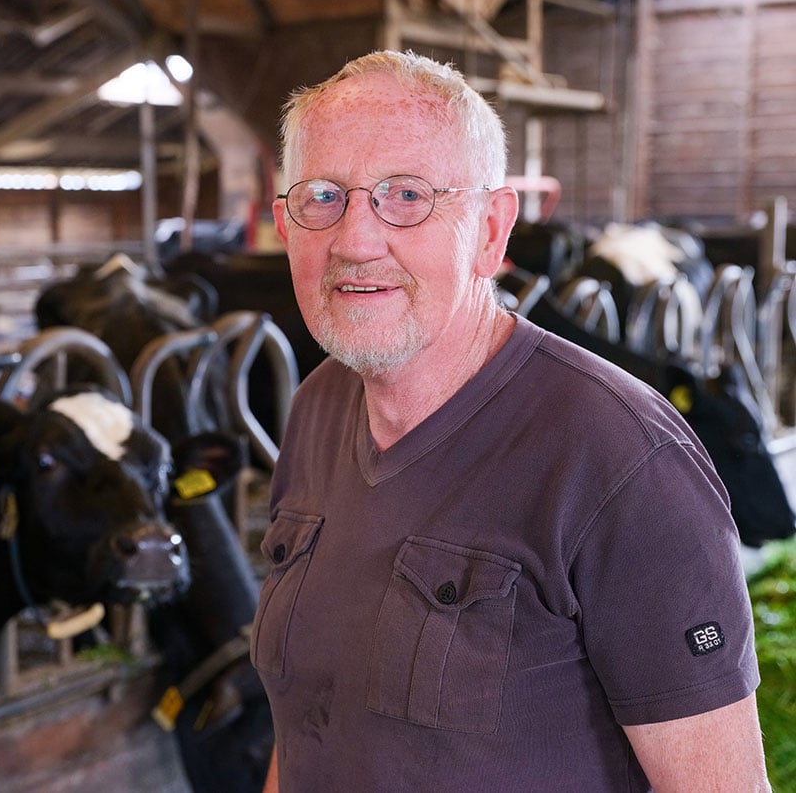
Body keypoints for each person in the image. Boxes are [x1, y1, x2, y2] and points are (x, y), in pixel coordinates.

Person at [250, 49, 771, 792]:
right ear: (286, 227)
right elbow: (306, 726)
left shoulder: (620, 456)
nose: (355, 241)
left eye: (406, 195)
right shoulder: (317, 407)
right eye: (324, 196)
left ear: (491, 231)